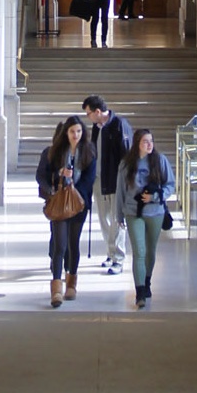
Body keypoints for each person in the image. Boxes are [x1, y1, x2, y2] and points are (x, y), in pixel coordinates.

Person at [35, 116, 96, 308]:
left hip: (78, 204)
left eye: (78, 131)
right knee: (59, 244)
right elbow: (41, 175)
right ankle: (56, 288)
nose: (75, 135)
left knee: (73, 244)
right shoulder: (53, 152)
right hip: (60, 203)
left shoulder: (89, 153)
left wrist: (77, 192)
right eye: (72, 131)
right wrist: (59, 174)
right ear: (66, 133)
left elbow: (89, 179)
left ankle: (72, 282)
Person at [117, 127, 175, 309]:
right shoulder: (127, 164)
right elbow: (120, 191)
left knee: (150, 251)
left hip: (155, 212)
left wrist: (156, 197)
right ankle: (140, 291)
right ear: (137, 144)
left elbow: (170, 184)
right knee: (139, 252)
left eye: (151, 141)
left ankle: (147, 281)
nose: (149, 145)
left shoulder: (160, 161)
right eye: (145, 142)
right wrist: (118, 214)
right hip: (133, 212)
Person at [82, 94, 133, 276]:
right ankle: (110, 254)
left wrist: (126, 182)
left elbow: (127, 155)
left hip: (116, 181)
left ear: (97, 112)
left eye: (89, 114)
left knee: (117, 220)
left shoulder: (119, 125)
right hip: (99, 180)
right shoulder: (96, 128)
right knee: (104, 219)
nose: (88, 117)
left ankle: (118, 258)